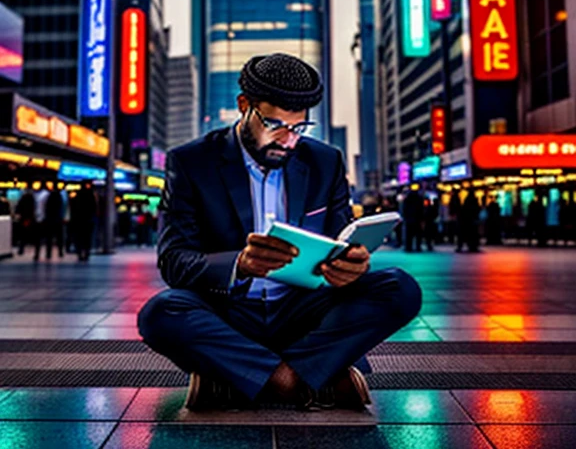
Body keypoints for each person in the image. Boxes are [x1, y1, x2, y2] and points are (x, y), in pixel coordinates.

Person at [138, 53, 421, 414]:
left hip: (303, 311)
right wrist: (239, 264)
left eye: (299, 128)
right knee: (160, 313)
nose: (288, 140)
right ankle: (309, 381)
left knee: (400, 288)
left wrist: (352, 266)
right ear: (245, 106)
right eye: (274, 124)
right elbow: (175, 262)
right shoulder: (192, 162)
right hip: (228, 310)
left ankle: (238, 380)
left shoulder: (325, 161)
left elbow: (340, 241)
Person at [70, 181, 97, 261]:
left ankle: (80, 252)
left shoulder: (77, 195)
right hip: (88, 220)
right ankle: (86, 252)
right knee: (87, 238)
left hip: (78, 220)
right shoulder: (91, 195)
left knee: (79, 237)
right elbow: (94, 208)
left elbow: (73, 208)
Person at [15, 183, 37, 256]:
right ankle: (29, 246)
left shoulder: (23, 197)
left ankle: (21, 248)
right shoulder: (32, 198)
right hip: (29, 217)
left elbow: (18, 207)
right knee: (28, 233)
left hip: (24, 217)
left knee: (22, 234)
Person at [44, 185, 65, 260]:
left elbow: (46, 209)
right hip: (58, 220)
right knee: (59, 238)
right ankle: (60, 252)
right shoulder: (59, 197)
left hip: (50, 220)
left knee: (49, 238)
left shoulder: (49, 197)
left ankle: (48, 253)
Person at [402, 185, 423, 252]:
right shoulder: (419, 198)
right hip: (417, 219)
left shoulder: (407, 199)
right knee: (418, 235)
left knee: (409, 235)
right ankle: (418, 247)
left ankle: (409, 247)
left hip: (409, 219)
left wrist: (405, 217)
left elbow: (404, 209)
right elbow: (421, 209)